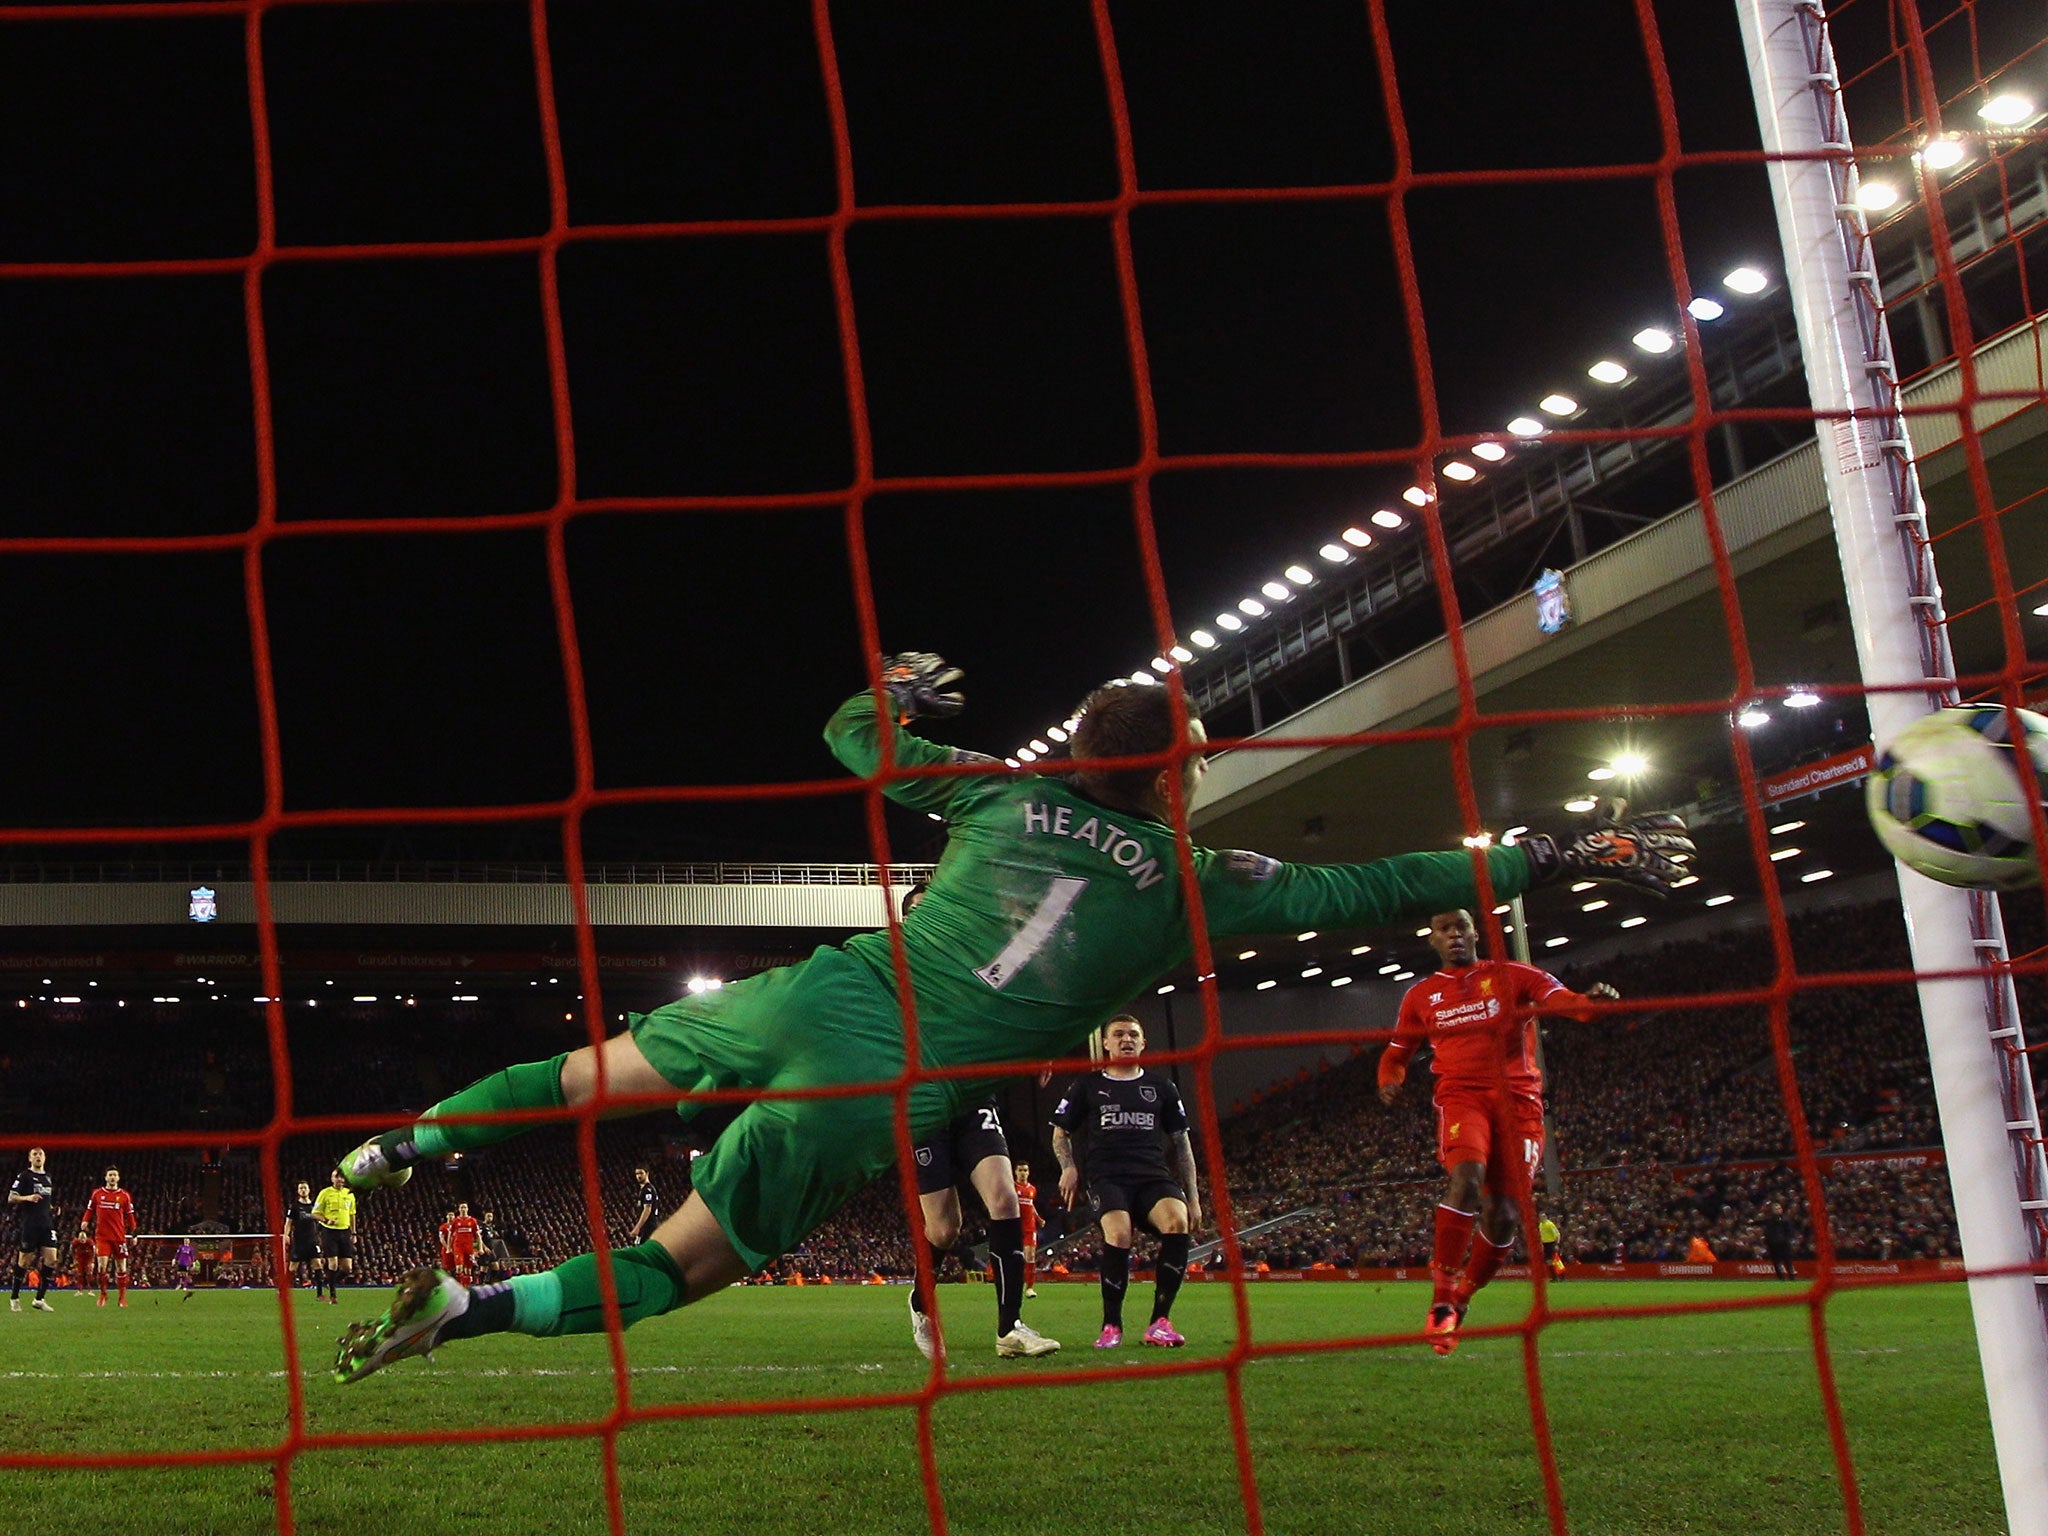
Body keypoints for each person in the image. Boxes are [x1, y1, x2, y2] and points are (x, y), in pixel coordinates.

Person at [329, 656, 1690, 1383]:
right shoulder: (1188, 890)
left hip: (818, 990)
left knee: (581, 1076)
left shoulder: (994, 794)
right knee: (677, 1270)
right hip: (879, 1085)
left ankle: (401, 1146)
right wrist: (1554, 854)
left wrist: (898, 691)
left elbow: (853, 741)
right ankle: (468, 1305)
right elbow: (1379, 879)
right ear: (1172, 773)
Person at [1378, 909, 1621, 1356]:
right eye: (1444, 929)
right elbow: (1395, 1055)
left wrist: (1591, 1005)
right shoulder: (1421, 996)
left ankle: (1461, 1300)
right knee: (1466, 1179)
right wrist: (1389, 1082)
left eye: (1461, 927)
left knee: (1505, 1214)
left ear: (1476, 933)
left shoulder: (1515, 976)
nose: (1454, 935)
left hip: (1519, 1104)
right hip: (1461, 1098)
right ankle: (1441, 1299)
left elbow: (1566, 1003)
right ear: (1431, 939)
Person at [1052, 1016, 1198, 1348]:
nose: (1126, 1039)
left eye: (1133, 1035)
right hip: (1107, 1177)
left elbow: (1182, 1144)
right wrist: (1069, 1167)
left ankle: (1160, 1322)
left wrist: (1193, 1197)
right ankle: (1111, 1325)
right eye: (1118, 1034)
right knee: (1119, 1232)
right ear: (1106, 1043)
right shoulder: (1086, 1086)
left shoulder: (1162, 1088)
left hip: (1152, 1176)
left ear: (1143, 1043)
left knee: (1178, 1222)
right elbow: (1060, 1133)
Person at [907, 1097, 1056, 1360]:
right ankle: (920, 1304)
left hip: (973, 1097)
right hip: (925, 1104)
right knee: (944, 1230)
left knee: (1005, 1200)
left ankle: (1010, 1328)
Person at [9, 1147, 59, 1313]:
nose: (38, 1156)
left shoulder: (48, 1177)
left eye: (41, 1154)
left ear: (45, 1158)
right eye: (35, 1154)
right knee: (24, 1262)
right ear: (30, 1158)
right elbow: (12, 1197)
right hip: (30, 1225)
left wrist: (52, 1208)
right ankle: (14, 1298)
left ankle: (39, 1299)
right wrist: (27, 1198)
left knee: (52, 1260)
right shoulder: (25, 1176)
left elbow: (45, 1201)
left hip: (46, 1224)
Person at [82, 1166, 138, 1309]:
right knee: (101, 1266)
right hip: (102, 1237)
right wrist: (85, 1221)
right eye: (110, 1175)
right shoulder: (97, 1194)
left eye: (115, 1175)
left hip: (119, 1236)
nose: (112, 1177)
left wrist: (134, 1232)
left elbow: (130, 1215)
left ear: (118, 1178)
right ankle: (103, 1294)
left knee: (121, 1267)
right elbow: (90, 1209)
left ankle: (122, 1298)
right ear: (106, 1177)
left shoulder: (124, 1195)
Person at [312, 1169, 357, 1304]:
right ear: (332, 1179)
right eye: (337, 1177)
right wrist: (326, 1220)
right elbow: (315, 1213)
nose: (340, 1180)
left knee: (348, 1268)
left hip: (345, 1232)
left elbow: (352, 1214)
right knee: (333, 1263)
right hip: (329, 1232)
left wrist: (354, 1233)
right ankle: (333, 1296)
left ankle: (328, 1281)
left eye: (342, 1178)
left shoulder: (349, 1194)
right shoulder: (325, 1193)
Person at [289, 1181, 322, 1296]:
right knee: (292, 1267)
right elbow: (288, 1223)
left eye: (305, 1188)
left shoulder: (315, 1206)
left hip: (312, 1240)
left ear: (309, 1190)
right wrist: (286, 1236)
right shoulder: (295, 1206)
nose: (303, 1190)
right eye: (301, 1188)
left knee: (317, 1264)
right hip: (299, 1241)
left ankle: (320, 1292)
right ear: (298, 1191)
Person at [1014, 1160, 1041, 1299]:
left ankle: (1030, 1288)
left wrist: (1038, 1218)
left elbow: (1031, 1206)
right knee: (1016, 1257)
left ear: (1028, 1172)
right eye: (1020, 1170)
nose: (1023, 1173)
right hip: (1015, 1227)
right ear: (1015, 1172)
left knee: (1030, 1256)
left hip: (1030, 1227)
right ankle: (1014, 1285)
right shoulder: (1012, 1187)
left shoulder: (1032, 1189)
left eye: (1025, 1170)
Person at [447, 1203, 481, 1285]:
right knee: (459, 1268)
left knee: (468, 1269)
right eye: (461, 1207)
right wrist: (448, 1247)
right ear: (459, 1209)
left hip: (469, 1247)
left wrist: (480, 1248)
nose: (463, 1209)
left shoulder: (472, 1220)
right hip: (458, 1246)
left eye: (465, 1207)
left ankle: (467, 1286)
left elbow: (478, 1235)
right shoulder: (455, 1221)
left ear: (467, 1209)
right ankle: (459, 1285)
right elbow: (450, 1235)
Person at [1763, 1202, 1797, 1280]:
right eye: (1776, 1209)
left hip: (1784, 1243)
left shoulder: (1785, 1219)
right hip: (1773, 1244)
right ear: (1773, 1210)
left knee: (1787, 1260)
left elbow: (1790, 1230)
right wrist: (1768, 1241)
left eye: (1779, 1208)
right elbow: (1767, 1232)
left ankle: (1791, 1276)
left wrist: (1787, 1239)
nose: (1778, 1210)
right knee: (1776, 1261)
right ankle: (1781, 1277)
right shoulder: (1770, 1220)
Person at [627, 1168, 658, 1246]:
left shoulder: (648, 1190)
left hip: (648, 1227)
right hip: (646, 1227)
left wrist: (637, 1227)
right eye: (637, 1174)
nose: (639, 1176)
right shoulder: (643, 1189)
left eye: (641, 1173)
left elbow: (647, 1209)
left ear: (647, 1173)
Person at [1537, 1213, 1565, 1278]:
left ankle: (1559, 1275)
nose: (1541, 1218)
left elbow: (1557, 1234)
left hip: (1551, 1243)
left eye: (1542, 1217)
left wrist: (1556, 1244)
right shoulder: (1541, 1225)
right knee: (1549, 1261)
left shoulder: (1549, 1224)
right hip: (1545, 1244)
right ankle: (1555, 1276)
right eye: (1540, 1217)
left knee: (1553, 1260)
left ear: (1545, 1217)